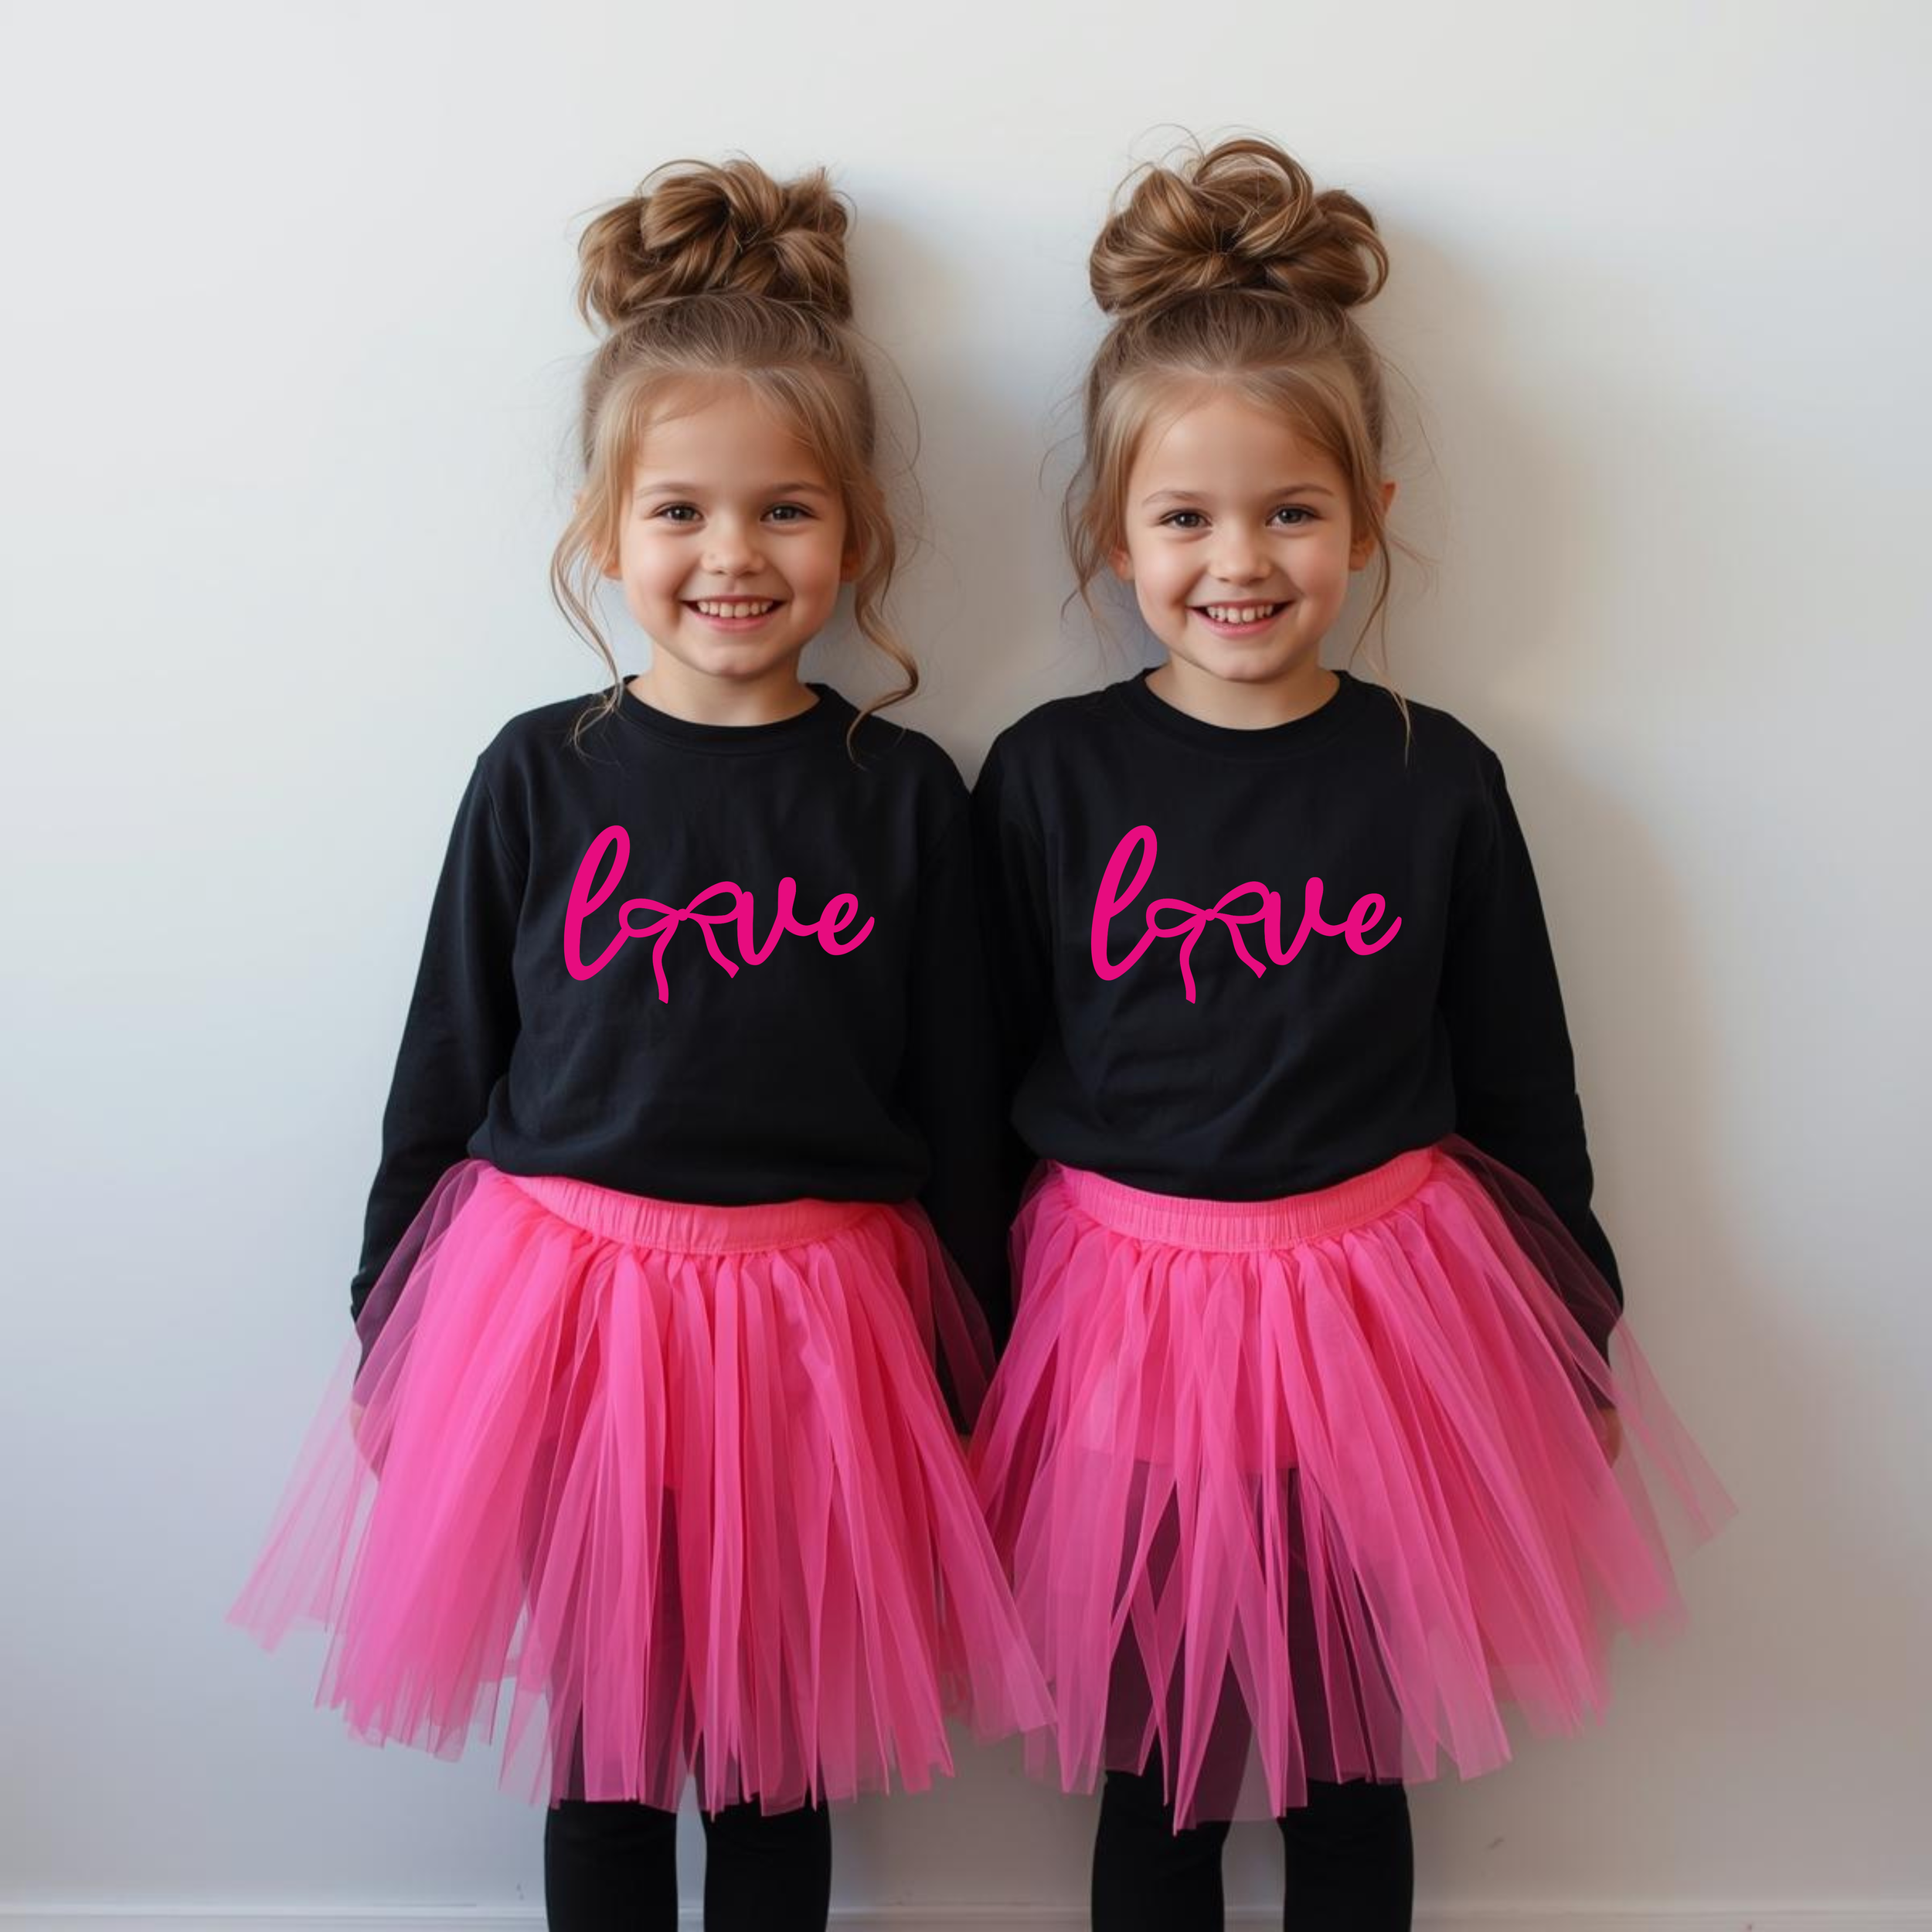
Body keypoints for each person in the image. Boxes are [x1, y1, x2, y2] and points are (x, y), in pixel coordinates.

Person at [228, 155, 1049, 1932]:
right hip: (568, 1312)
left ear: (857, 537)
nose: (730, 557)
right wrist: (394, 1322)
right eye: (679, 511)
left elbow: (963, 1098)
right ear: (606, 532)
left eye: (783, 512)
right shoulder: (540, 769)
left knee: (770, 1754)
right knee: (604, 1747)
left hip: (822, 1324)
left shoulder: (901, 797)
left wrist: (981, 1346)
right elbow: (447, 1060)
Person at [968, 134, 1736, 1932]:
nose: (1238, 560)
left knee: (1343, 1748)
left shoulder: (1431, 775)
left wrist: (1580, 1325)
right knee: (1155, 1752)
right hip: (1122, 1320)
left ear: (1368, 512)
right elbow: (982, 1074)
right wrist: (975, 1332)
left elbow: (1519, 1080)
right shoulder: (1049, 777)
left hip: (1380, 1324)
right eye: (1184, 517)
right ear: (1113, 534)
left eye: (1288, 512)